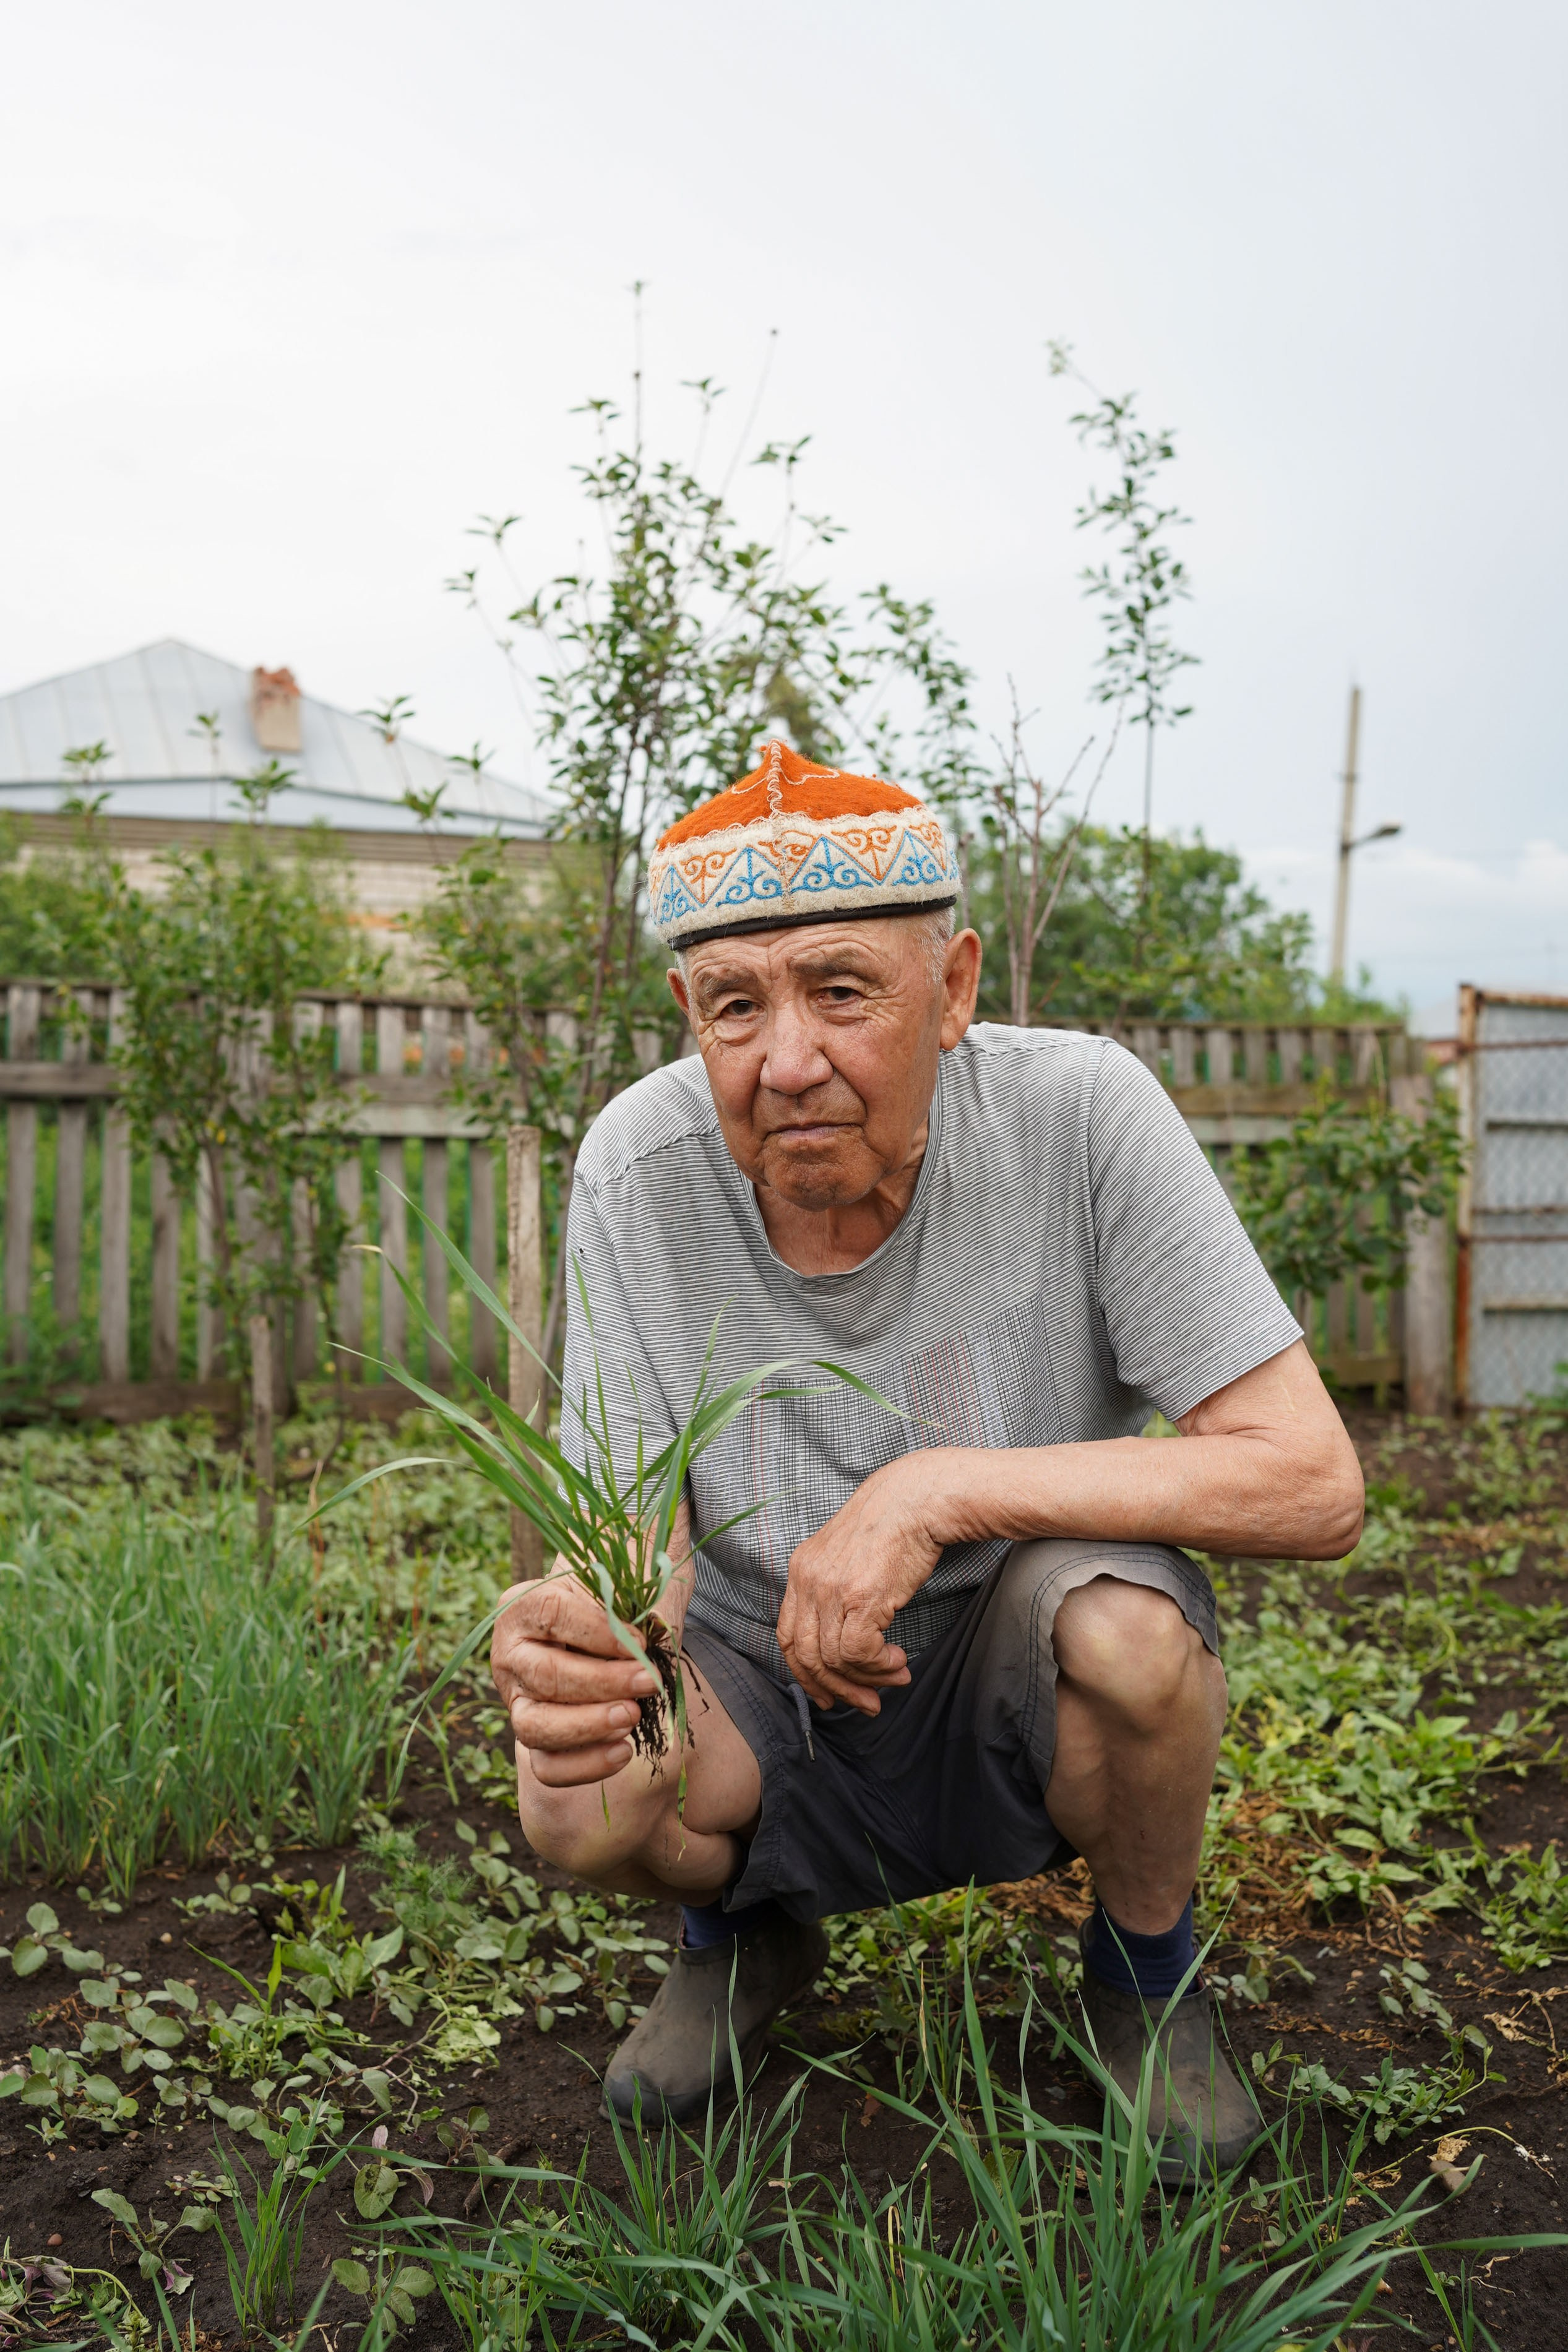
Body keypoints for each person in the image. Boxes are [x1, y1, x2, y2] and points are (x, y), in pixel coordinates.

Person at [490, 740, 1363, 2178]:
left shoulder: (1080, 1114)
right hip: (757, 1663)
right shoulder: (637, 1166)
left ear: (952, 988)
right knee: (580, 1794)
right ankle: (738, 1933)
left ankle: (1146, 1979)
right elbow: (634, 1526)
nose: (786, 1059)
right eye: (734, 1004)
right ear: (685, 1016)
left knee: (1134, 1635)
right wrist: (592, 1651)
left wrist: (936, 1487)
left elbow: (1310, 1479)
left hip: (1007, 1650)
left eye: (842, 989)